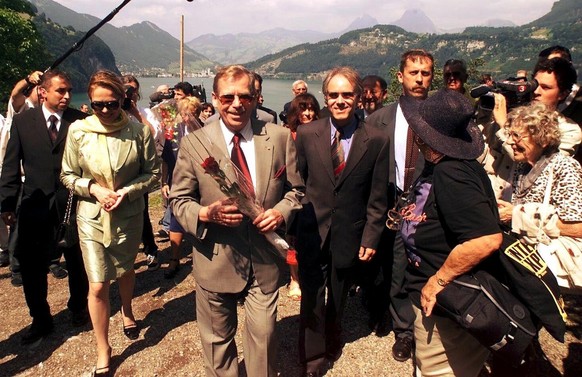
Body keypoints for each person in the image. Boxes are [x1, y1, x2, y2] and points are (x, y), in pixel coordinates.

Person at [170, 64, 304, 377]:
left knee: (266, 339)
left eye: (244, 96)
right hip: (215, 259)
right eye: (228, 97)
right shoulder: (194, 143)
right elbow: (178, 200)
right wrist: (205, 213)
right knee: (217, 344)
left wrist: (280, 212)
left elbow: (296, 191)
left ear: (256, 98)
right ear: (215, 99)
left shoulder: (280, 137)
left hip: (264, 261)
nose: (236, 104)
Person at [60, 70, 160, 377]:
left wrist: (127, 192)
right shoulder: (78, 131)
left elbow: (154, 175)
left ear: (123, 100)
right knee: (98, 283)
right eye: (98, 104)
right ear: (90, 102)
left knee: (126, 269)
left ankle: (128, 311)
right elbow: (67, 175)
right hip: (90, 217)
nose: (105, 110)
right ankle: (103, 346)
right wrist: (92, 188)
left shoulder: (138, 132)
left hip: (127, 216)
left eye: (112, 104)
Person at [399, 88, 502, 377]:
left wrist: (436, 282)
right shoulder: (443, 165)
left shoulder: (451, 172)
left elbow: (486, 239)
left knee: (438, 371)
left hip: (448, 304)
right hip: (441, 300)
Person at [294, 66, 390, 376]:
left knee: (337, 294)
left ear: (359, 97)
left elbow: (377, 196)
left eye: (346, 94)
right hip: (312, 230)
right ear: (325, 97)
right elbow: (299, 184)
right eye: (333, 95)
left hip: (350, 232)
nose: (339, 101)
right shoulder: (308, 134)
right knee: (311, 293)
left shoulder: (375, 139)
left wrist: (371, 236)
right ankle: (311, 355)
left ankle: (333, 340)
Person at [0, 69, 90, 345]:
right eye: (60, 91)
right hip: (34, 203)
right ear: (43, 92)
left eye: (68, 91)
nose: (66, 96)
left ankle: (78, 307)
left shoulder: (79, 121)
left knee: (77, 260)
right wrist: (6, 203)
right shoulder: (23, 122)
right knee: (31, 266)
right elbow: (11, 163)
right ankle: (40, 318)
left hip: (71, 202)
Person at [365, 48, 433, 360]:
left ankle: (435, 327)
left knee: (431, 268)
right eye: (414, 73)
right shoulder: (379, 119)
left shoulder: (441, 116)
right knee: (396, 269)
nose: (420, 79)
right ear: (400, 76)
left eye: (426, 73)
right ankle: (404, 331)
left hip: (431, 207)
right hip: (394, 203)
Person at [496, 103, 582, 286]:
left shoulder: (564, 167)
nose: (510, 142)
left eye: (517, 136)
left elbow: (577, 227)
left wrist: (518, 215)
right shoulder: (522, 167)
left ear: (542, 139)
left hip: (555, 275)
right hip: (529, 268)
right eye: (510, 134)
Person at [482, 57, 581, 201]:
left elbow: (542, 166)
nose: (536, 92)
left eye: (546, 87)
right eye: (534, 85)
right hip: (492, 201)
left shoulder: (569, 131)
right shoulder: (513, 116)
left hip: (525, 211)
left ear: (563, 94)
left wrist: (504, 126)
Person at [0, 70, 43, 287]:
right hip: (18, 178)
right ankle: (16, 266)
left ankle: (49, 261)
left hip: (35, 178)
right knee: (18, 225)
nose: (43, 92)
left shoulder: (42, 112)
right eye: (39, 88)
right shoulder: (19, 109)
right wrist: (27, 80)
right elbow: (15, 93)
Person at [122, 74, 163, 271]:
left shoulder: (145, 112)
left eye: (133, 90)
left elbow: (154, 134)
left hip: (138, 168)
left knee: (142, 210)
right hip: (118, 169)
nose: (130, 95)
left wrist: (135, 114)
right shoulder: (113, 110)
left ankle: (150, 248)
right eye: (126, 90)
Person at [282, 92, 321, 301]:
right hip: (295, 192)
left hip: (317, 194)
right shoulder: (287, 135)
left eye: (311, 108)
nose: (307, 113)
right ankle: (294, 279)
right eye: (303, 108)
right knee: (293, 239)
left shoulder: (323, 133)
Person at [161, 96, 202, 279]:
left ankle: (201, 258)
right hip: (177, 181)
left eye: (192, 113)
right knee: (176, 218)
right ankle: (175, 258)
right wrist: (164, 182)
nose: (188, 117)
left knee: (200, 218)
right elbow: (166, 160)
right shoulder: (173, 132)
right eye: (185, 113)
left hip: (200, 183)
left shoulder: (205, 131)